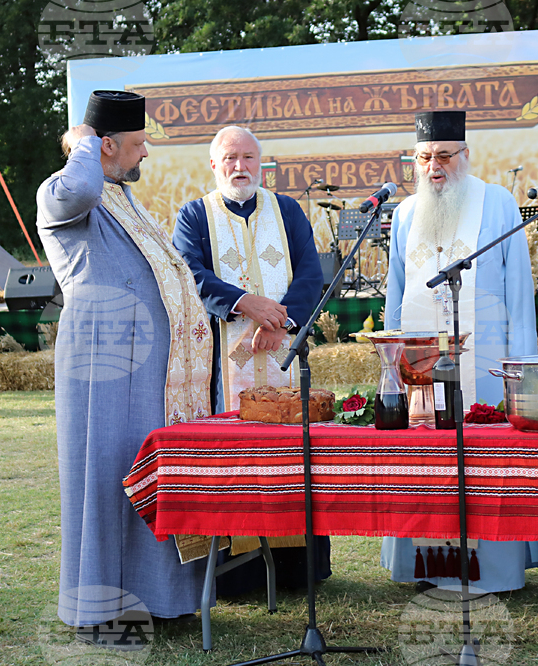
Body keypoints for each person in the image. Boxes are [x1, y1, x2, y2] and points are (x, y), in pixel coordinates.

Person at [37, 91, 213, 628]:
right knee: (106, 473)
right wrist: (83, 142)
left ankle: (161, 598)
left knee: (151, 475)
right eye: (137, 145)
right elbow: (82, 184)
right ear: (105, 144)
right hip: (104, 363)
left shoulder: (123, 196)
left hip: (151, 372)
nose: (146, 154)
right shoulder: (66, 189)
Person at [382, 110, 538, 593]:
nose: (435, 166)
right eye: (425, 157)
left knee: (482, 456)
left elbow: (519, 291)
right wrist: (391, 362)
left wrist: (523, 367)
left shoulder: (497, 202)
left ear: (465, 156)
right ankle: (424, 567)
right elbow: (395, 288)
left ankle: (494, 568)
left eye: (445, 156)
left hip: (487, 358)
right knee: (424, 454)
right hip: (420, 357)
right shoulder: (407, 212)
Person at [173, 125, 330, 591]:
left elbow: (310, 270)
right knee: (236, 450)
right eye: (230, 158)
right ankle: (238, 576)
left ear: (260, 163)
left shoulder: (287, 210)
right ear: (213, 164)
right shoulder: (195, 215)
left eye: (248, 158)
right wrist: (246, 303)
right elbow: (191, 275)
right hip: (224, 358)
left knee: (290, 449)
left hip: (281, 348)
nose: (239, 167)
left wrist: (279, 320)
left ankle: (297, 571)